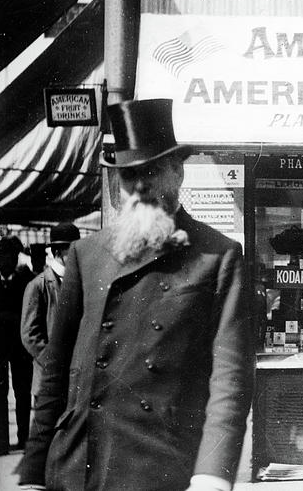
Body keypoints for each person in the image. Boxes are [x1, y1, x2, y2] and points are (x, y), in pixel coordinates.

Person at [17, 98, 255, 491]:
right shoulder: (86, 255)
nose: (140, 185)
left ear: (177, 173)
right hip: (78, 465)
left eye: (151, 170)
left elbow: (231, 378)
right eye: (129, 176)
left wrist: (212, 473)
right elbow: (57, 375)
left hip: (161, 464)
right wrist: (31, 474)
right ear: (118, 184)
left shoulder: (217, 255)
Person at [20, 222, 81, 440]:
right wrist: (53, 361)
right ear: (57, 252)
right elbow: (29, 334)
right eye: (72, 251)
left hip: (74, 379)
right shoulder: (38, 286)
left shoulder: (80, 284)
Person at [0, 235, 35, 455]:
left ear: (14, 258)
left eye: (8, 257)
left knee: (23, 392)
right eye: (0, 257)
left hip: (21, 348)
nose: (5, 261)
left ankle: (23, 439)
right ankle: (1, 442)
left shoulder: (25, 281)